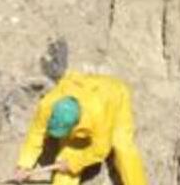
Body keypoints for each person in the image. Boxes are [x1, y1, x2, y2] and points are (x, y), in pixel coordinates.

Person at [10, 71, 148, 185]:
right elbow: (36, 134)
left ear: (76, 123)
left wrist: (74, 164)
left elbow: (100, 150)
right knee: (66, 158)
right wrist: (24, 165)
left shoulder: (97, 115)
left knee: (123, 147)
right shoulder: (47, 105)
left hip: (115, 99)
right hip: (88, 96)